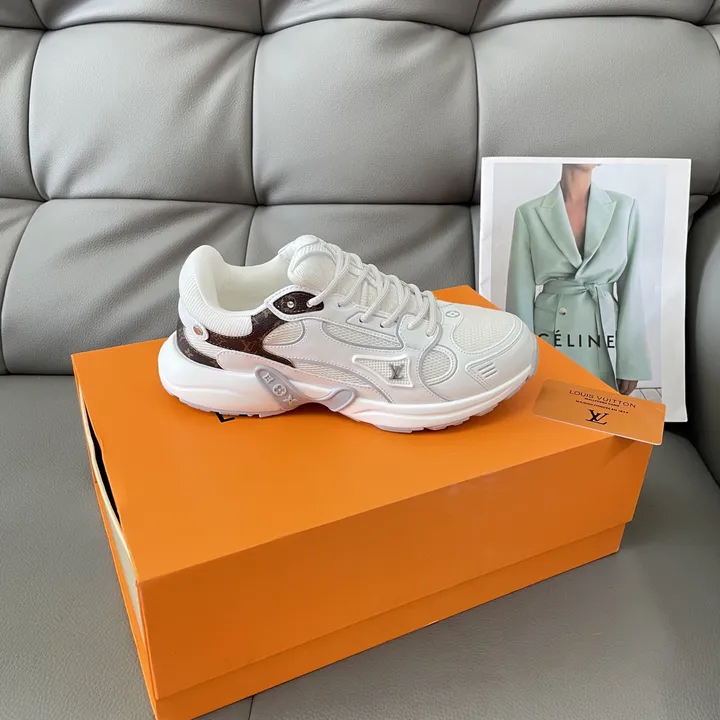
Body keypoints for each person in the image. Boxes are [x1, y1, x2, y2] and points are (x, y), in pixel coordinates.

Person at [506, 163, 651, 395]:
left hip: (603, 336)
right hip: (550, 336)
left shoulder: (625, 208)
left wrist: (631, 361)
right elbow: (519, 291)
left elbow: (632, 286)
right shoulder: (528, 213)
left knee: (600, 410)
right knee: (551, 409)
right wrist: (520, 360)